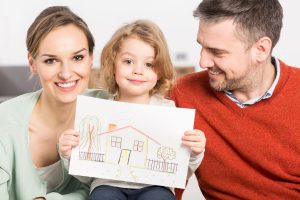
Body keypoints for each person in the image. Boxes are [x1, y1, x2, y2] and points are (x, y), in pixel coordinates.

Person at [59, 19, 206, 200]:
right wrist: (69, 154)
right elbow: (86, 174)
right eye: (128, 61)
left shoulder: (167, 110)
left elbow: (180, 172)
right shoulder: (99, 108)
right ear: (113, 65)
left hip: (156, 185)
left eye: (149, 64)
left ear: (159, 71)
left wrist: (194, 152)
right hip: (107, 185)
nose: (138, 70)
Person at [170, 0, 300, 199]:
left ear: (261, 50)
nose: (202, 62)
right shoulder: (182, 94)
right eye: (202, 47)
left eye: (217, 52)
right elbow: (163, 187)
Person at [0, 6, 109, 200]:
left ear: (91, 59)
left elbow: (118, 189)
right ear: (33, 63)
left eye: (77, 58)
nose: (66, 73)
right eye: (51, 60)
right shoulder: (5, 121)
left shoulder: (109, 108)